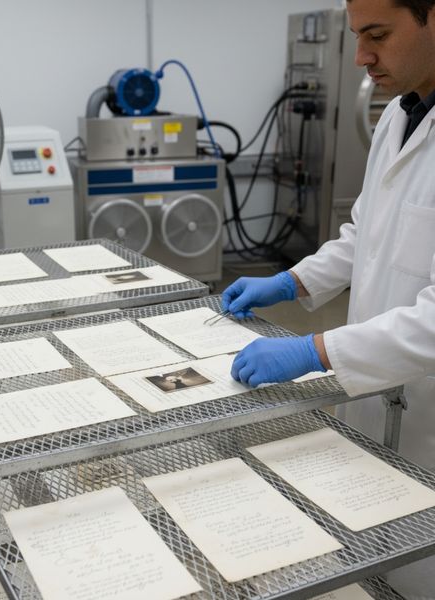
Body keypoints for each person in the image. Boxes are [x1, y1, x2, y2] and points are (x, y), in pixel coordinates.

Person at [222, 1, 435, 597]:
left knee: (419, 569)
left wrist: (314, 350)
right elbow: (365, 235)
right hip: (376, 392)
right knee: (370, 555)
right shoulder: (399, 114)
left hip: (429, 412)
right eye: (356, 37)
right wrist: (292, 282)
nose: (363, 57)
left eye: (379, 35)